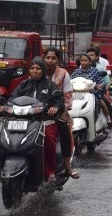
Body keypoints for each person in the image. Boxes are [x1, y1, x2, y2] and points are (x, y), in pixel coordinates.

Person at [2, 57, 64, 182]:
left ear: (43, 71)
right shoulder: (23, 84)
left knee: (48, 139)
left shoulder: (50, 85)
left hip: (44, 120)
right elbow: (12, 98)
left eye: (38, 68)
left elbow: (60, 100)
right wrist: (5, 106)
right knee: (5, 137)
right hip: (22, 120)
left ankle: (50, 171)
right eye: (32, 68)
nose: (35, 71)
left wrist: (55, 107)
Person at [44, 47, 79, 179]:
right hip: (38, 111)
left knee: (65, 131)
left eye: (53, 58)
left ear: (58, 60)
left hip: (58, 111)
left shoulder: (64, 74)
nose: (50, 60)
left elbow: (68, 95)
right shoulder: (37, 71)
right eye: (48, 58)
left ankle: (66, 166)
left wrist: (62, 110)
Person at [86, 47, 112, 128]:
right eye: (88, 55)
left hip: (96, 92)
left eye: (91, 55)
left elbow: (106, 83)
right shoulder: (78, 70)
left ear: (96, 57)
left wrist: (102, 90)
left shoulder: (99, 68)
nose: (89, 57)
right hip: (83, 92)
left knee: (104, 103)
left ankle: (111, 119)